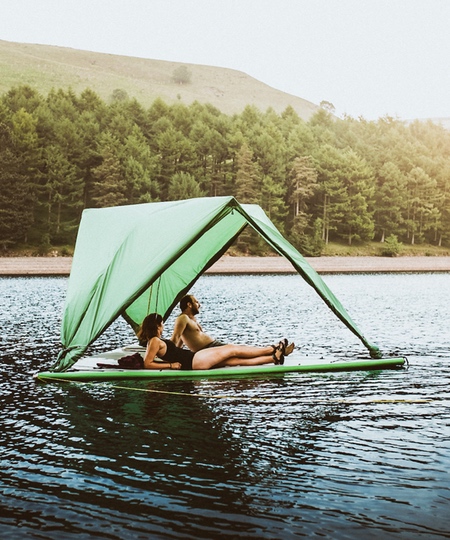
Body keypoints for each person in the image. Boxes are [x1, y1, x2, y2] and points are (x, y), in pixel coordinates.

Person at [137, 313, 294, 370]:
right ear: (157, 325)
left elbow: (171, 351)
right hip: (194, 361)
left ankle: (274, 358)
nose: (163, 326)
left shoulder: (154, 341)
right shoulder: (155, 341)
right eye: (162, 323)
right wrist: (171, 365)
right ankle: (272, 348)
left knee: (233, 361)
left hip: (194, 360)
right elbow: (147, 363)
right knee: (232, 349)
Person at [171, 294, 295, 356]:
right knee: (239, 351)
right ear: (189, 305)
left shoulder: (191, 319)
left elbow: (181, 342)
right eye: (196, 302)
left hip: (212, 346)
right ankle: (275, 349)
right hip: (208, 349)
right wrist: (166, 358)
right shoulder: (183, 318)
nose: (199, 304)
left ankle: (277, 351)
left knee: (241, 349)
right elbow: (175, 339)